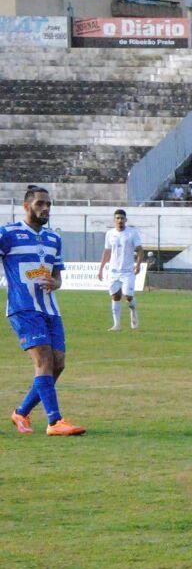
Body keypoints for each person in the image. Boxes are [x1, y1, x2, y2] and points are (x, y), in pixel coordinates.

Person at [3, 186, 86, 436]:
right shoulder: (8, 233)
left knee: (58, 364)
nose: (45, 208)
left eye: (48, 204)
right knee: (43, 361)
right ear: (26, 206)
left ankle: (21, 412)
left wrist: (55, 283)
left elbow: (57, 278)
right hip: (23, 308)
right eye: (40, 203)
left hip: (50, 309)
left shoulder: (53, 239)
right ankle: (54, 421)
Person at [97, 208, 143, 332]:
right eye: (117, 218)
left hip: (128, 271)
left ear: (125, 220)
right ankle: (116, 325)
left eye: (122, 218)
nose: (120, 220)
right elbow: (107, 251)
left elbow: (139, 250)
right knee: (115, 296)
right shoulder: (110, 234)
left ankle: (133, 310)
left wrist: (138, 265)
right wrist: (101, 268)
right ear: (114, 220)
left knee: (128, 295)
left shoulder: (132, 233)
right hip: (113, 271)